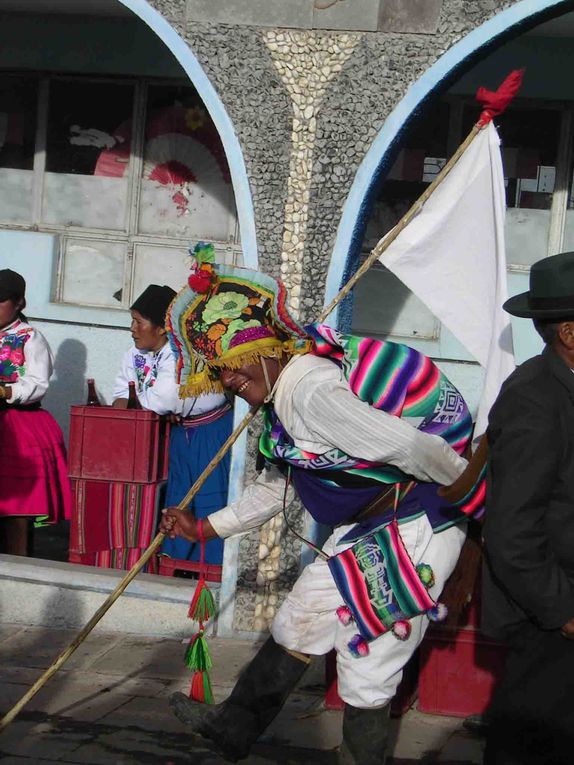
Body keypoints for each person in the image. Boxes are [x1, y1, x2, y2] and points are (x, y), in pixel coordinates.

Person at [158, 253, 484, 764]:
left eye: (232, 367)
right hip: (367, 528)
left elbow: (413, 448)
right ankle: (233, 729)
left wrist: (471, 503)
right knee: (300, 619)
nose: (229, 382)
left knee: (369, 660)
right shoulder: (281, 399)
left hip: (413, 526)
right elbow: (278, 488)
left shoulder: (311, 393)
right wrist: (205, 528)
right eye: (218, 374)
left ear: (266, 349)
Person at [482, 251, 574, 765]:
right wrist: (563, 612)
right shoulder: (535, 398)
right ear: (569, 333)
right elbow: (514, 530)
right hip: (549, 619)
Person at [112, 279, 232, 565]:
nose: (132, 329)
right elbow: (119, 396)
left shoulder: (181, 354)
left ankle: (208, 568)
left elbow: (162, 401)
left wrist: (141, 400)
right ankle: (176, 564)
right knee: (179, 499)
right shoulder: (135, 354)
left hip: (210, 434)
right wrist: (143, 401)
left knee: (209, 498)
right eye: (132, 321)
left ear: (162, 328)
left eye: (138, 322)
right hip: (181, 434)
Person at [0, 269, 71, 555]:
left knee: (17, 506)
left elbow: (37, 383)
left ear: (20, 304)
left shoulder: (30, 338)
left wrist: (7, 391)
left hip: (17, 422)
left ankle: (19, 567)